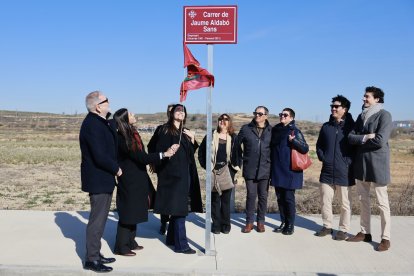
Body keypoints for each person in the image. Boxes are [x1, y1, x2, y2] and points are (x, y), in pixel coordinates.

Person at [112, 108, 178, 256]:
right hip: (129, 179)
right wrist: (164, 154)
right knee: (128, 212)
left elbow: (142, 156)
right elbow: (141, 157)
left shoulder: (132, 134)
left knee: (134, 209)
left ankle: (130, 241)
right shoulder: (123, 137)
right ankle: (120, 246)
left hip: (137, 177)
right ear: (124, 119)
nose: (134, 115)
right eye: (130, 114)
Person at [79, 91, 122, 273]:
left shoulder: (98, 122)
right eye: (106, 100)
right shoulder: (92, 125)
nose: (109, 102)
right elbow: (99, 155)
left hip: (102, 179)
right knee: (97, 221)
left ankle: (95, 253)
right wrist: (116, 169)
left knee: (101, 219)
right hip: (99, 178)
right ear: (98, 106)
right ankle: (91, 259)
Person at [347, 86, 393, 252]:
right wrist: (366, 137)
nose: (364, 99)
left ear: (377, 99)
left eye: (367, 97)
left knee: (382, 203)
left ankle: (385, 238)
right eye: (364, 96)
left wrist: (362, 141)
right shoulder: (361, 116)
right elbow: (351, 137)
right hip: (361, 165)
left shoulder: (384, 115)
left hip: (378, 165)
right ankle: (365, 232)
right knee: (363, 200)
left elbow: (380, 140)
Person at [153, 104, 203, 254]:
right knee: (180, 209)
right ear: (171, 113)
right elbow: (154, 149)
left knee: (178, 208)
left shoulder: (185, 132)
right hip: (171, 176)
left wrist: (193, 140)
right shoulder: (164, 130)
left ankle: (171, 239)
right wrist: (165, 153)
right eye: (178, 110)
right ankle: (182, 245)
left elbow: (189, 153)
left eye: (183, 111)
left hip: (185, 174)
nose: (181, 112)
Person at [315, 95, 355, 240]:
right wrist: (322, 157)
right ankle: (327, 226)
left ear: (344, 109)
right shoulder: (326, 126)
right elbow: (319, 145)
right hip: (327, 170)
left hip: (344, 171)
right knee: (325, 200)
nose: (333, 108)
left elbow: (356, 149)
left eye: (336, 106)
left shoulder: (352, 127)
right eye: (332, 106)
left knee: (345, 203)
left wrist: (347, 162)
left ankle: (343, 229)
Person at [198, 113, 241, 234]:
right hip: (213, 171)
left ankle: (226, 225)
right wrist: (206, 167)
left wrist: (234, 169)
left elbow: (239, 154)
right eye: (221, 119)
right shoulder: (211, 136)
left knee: (226, 201)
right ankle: (216, 225)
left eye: (226, 119)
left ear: (229, 122)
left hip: (227, 171)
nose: (223, 121)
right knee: (215, 200)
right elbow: (201, 152)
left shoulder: (234, 137)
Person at [270, 108, 309, 235]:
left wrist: (294, 141)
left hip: (289, 170)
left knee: (288, 198)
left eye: (285, 115)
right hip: (277, 169)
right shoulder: (275, 130)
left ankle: (290, 224)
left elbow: (305, 148)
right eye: (281, 114)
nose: (282, 116)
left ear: (291, 118)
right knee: (280, 198)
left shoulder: (295, 131)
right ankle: (283, 222)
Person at [238, 106, 272, 233]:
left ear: (266, 116)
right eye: (255, 113)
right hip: (250, 168)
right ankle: (249, 222)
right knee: (251, 196)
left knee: (263, 196)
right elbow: (237, 145)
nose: (257, 115)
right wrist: (242, 160)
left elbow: (274, 150)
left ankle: (261, 222)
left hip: (265, 169)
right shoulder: (246, 129)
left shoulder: (271, 130)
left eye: (260, 113)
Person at [148, 103, 175, 235]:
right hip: (163, 169)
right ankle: (164, 223)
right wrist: (153, 162)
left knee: (176, 197)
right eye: (169, 112)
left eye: (173, 111)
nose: (171, 114)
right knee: (164, 197)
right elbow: (151, 146)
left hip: (178, 171)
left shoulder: (182, 129)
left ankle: (175, 223)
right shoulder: (161, 129)